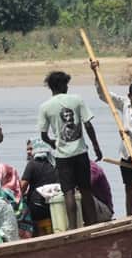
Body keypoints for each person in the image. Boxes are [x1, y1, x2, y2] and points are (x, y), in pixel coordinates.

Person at [38, 71, 103, 229]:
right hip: (80, 152)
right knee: (86, 190)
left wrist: (54, 143)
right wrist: (96, 146)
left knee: (68, 192)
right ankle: (92, 224)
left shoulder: (45, 107)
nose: (67, 87)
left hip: (63, 156)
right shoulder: (77, 100)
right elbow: (88, 125)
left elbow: (43, 135)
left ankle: (73, 228)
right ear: (62, 85)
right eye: (66, 84)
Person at [91, 60, 132, 216]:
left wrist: (129, 132)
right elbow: (104, 95)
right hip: (127, 154)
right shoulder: (124, 103)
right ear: (129, 96)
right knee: (129, 188)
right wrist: (96, 73)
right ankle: (130, 217)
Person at [21, 138, 59, 231]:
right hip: (55, 204)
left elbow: (23, 186)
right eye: (27, 149)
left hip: (37, 206)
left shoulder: (32, 164)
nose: (29, 152)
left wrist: (17, 198)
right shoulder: (55, 163)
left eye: (31, 149)